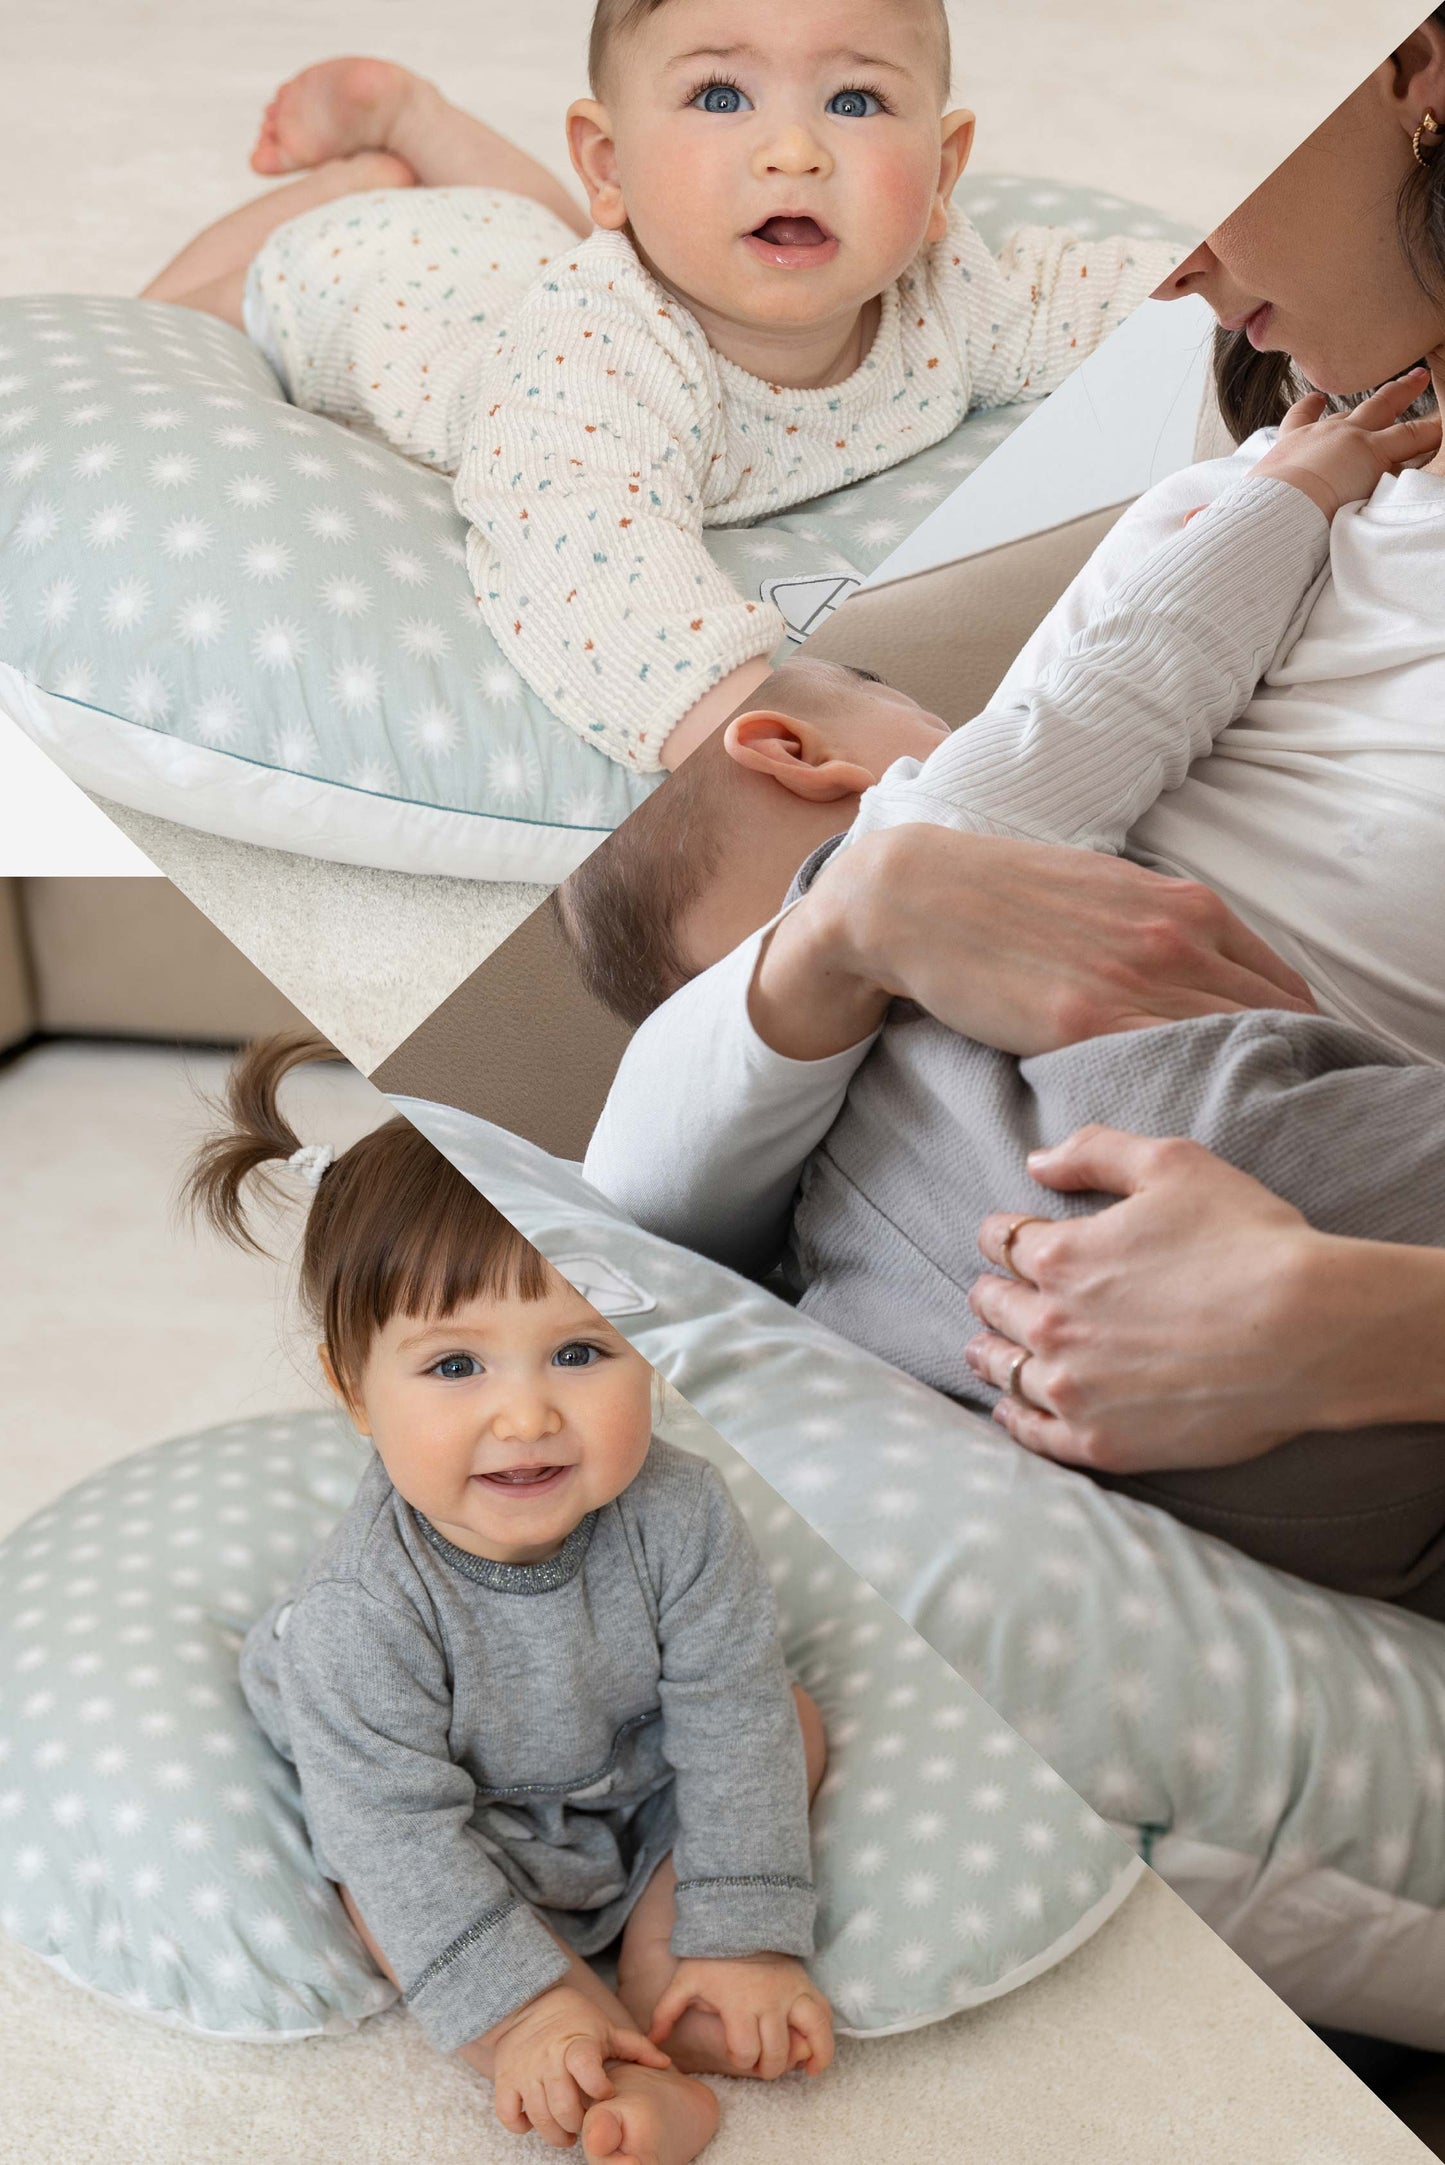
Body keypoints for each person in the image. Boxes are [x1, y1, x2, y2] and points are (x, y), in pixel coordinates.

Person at [561, 335, 1445, 1607]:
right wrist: (1287, 497)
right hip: (1220, 1173)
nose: (957, 718)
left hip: (994, 1383)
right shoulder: (925, 824)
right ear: (792, 752)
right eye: (890, 694)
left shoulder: (790, 1159)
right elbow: (1128, 673)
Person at [138, 0, 1179, 773]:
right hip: (365, 281)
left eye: (853, 100)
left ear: (942, 172)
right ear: (612, 163)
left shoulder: (948, 292)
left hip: (514, 251)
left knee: (535, 229)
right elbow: (585, 561)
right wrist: (757, 722)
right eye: (720, 97)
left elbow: (1096, 297)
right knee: (171, 317)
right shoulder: (590, 357)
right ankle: (363, 178)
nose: (793, 152)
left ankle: (410, 120)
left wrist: (1229, 282)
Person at [187, 1034, 832, 2165]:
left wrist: (746, 1931)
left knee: (787, 1716)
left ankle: (676, 1976)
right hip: (462, 1830)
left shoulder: (681, 1511)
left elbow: (729, 1718)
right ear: (354, 1392)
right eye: (455, 1366)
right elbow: (395, 1831)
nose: (527, 1417)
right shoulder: (357, 1613)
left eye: (581, 1351)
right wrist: (524, 2006)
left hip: (630, 1784)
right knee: (376, 1894)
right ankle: (577, 2042)